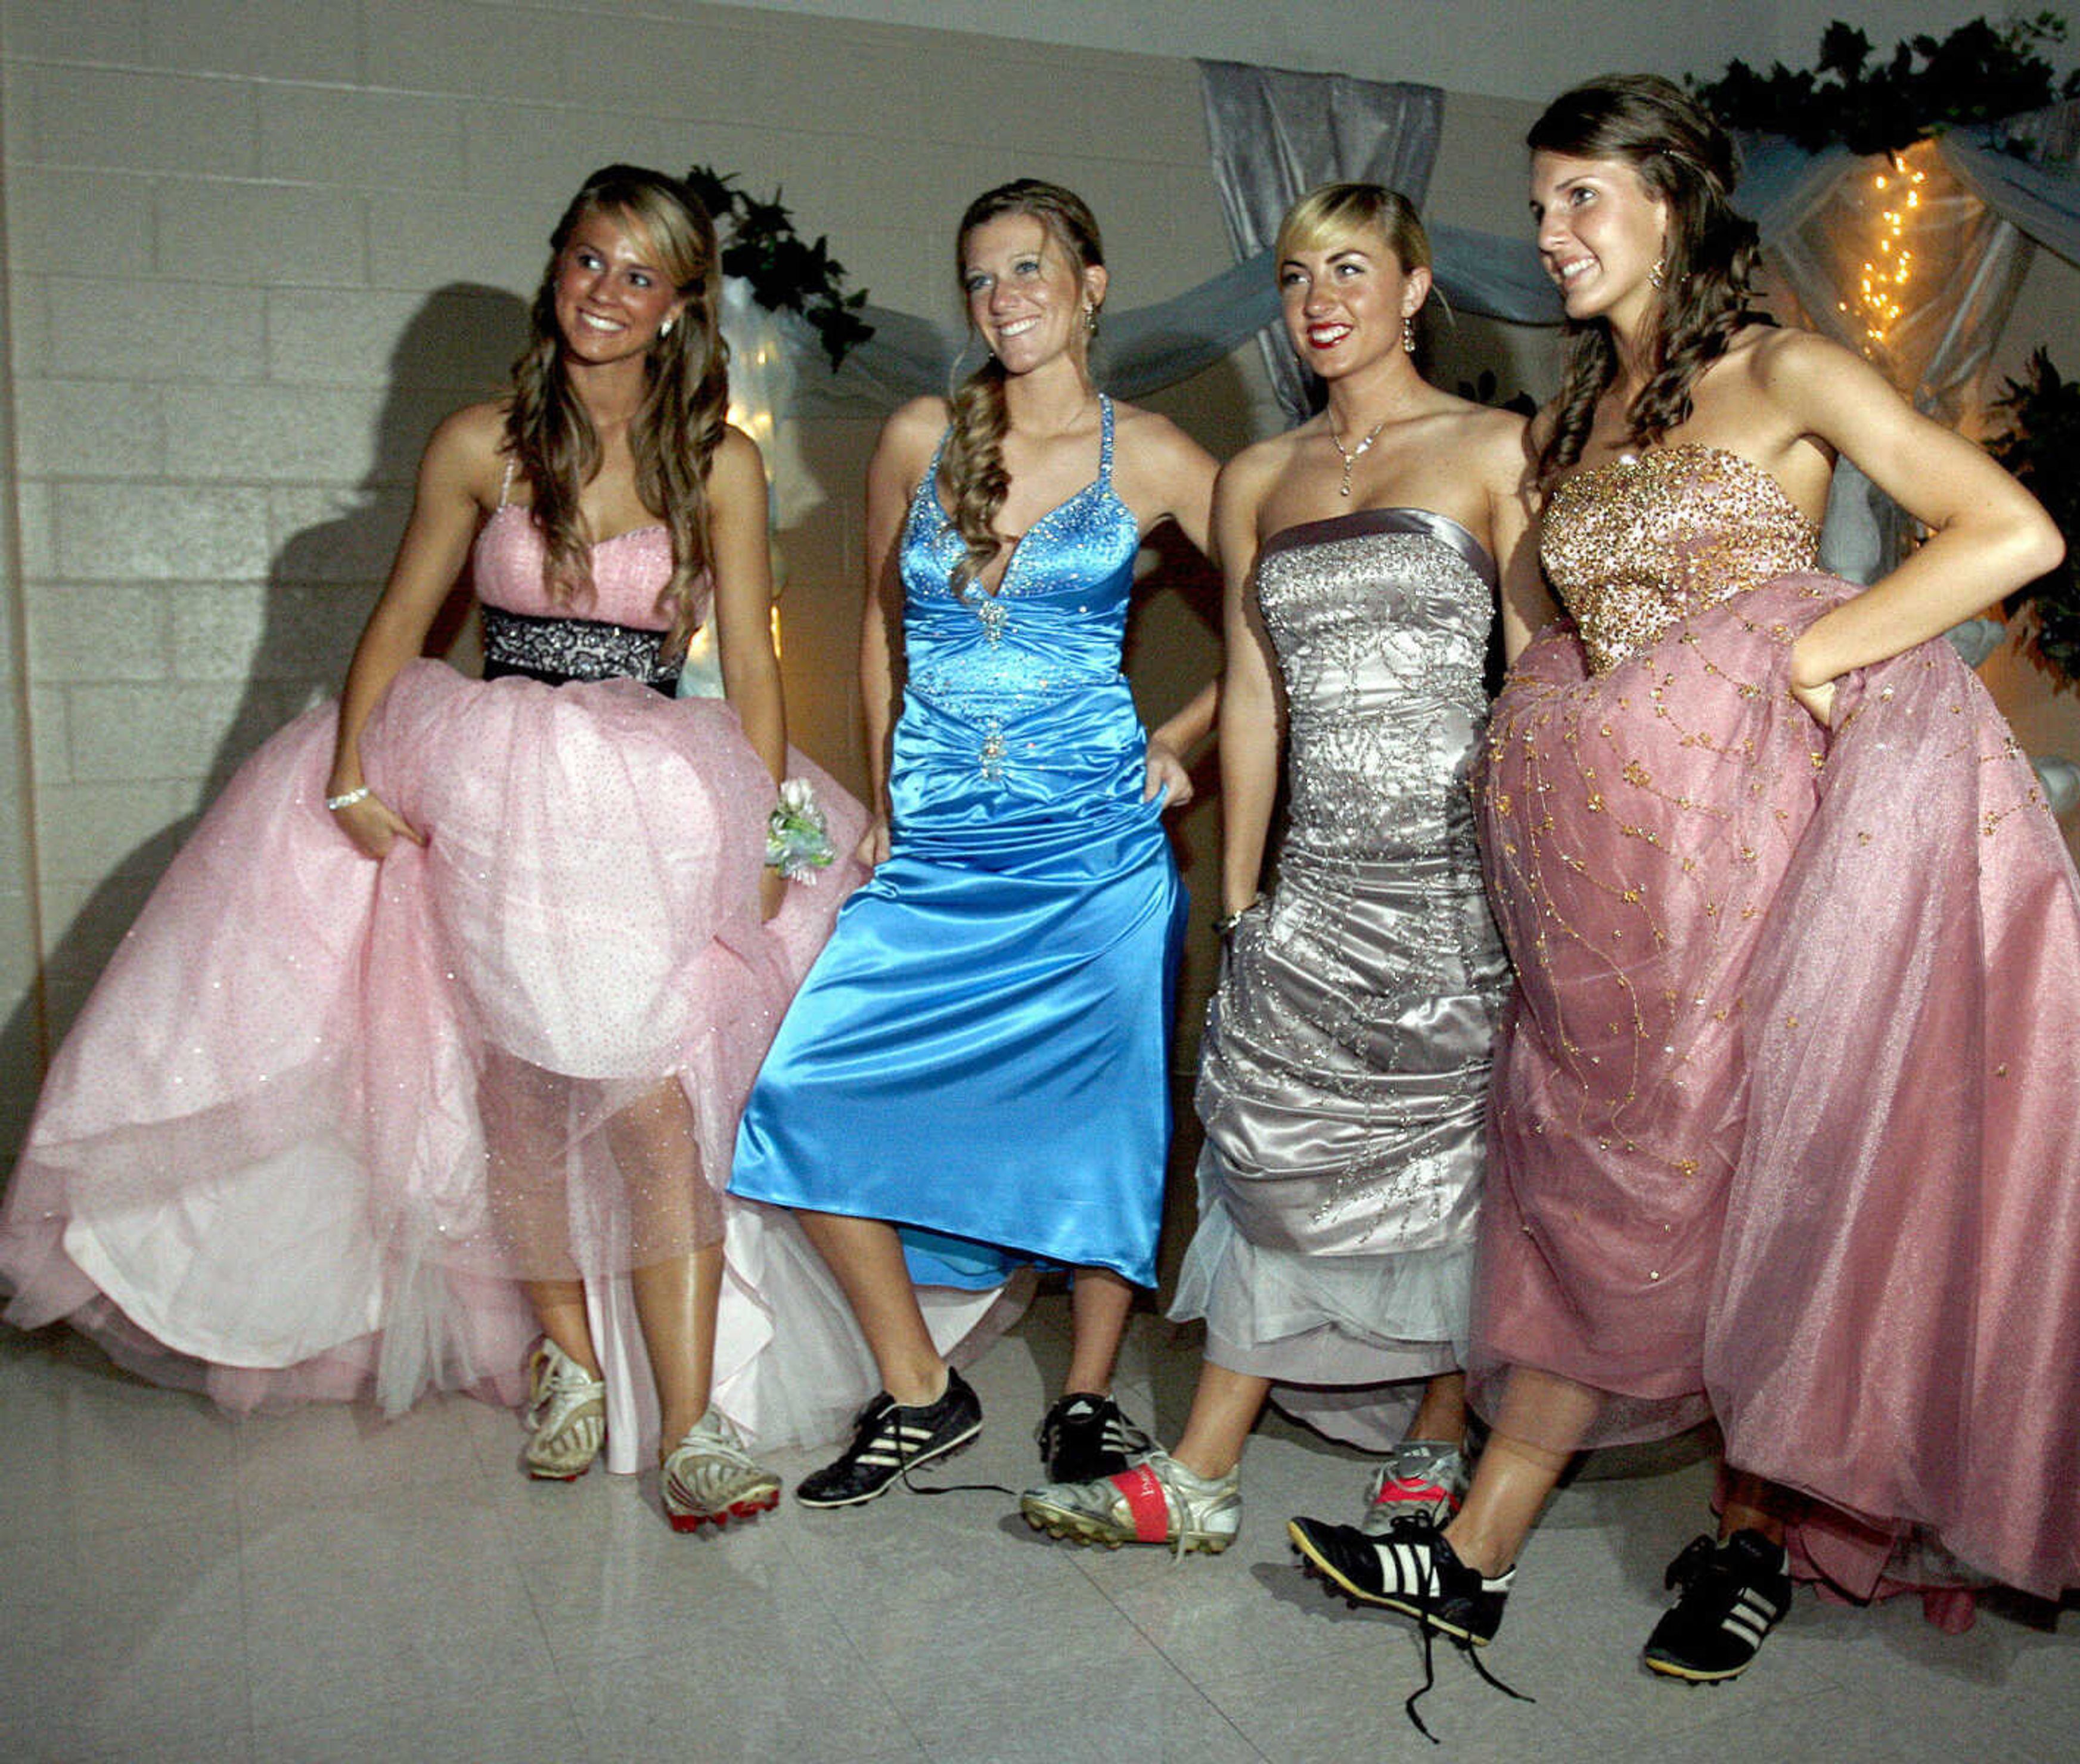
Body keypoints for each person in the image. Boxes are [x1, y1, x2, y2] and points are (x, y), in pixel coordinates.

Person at [1289, 76, 2080, 1678]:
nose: (1555, 231)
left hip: (1764, 872)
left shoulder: (1782, 367)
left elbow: (2007, 531)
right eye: (1547, 198)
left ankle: (1753, 1545)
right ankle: (1475, 1556)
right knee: (1596, 1193)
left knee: (1766, 1194)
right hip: (1604, 903)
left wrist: (1820, 649)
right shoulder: (1569, 416)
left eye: (1586, 197)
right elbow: (1550, 643)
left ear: (1673, 200)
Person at [0, 164, 871, 1532]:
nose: (603, 292)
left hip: (650, 806)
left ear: (679, 307)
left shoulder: (721, 461)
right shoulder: (484, 442)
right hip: (497, 790)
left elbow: (754, 677)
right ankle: (573, 1366)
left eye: (638, 275)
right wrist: (350, 768)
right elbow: (403, 621)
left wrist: (765, 831)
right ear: (558, 266)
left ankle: (696, 1421)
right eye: (586, 260)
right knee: (521, 1096)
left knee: (654, 1108)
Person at [1019, 185, 1526, 1555]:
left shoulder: (1495, 449)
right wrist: (1245, 895)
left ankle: (1436, 1434)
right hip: (1316, 879)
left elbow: (1540, 683)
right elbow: (1253, 691)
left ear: (1418, 287)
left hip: (1460, 877)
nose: (1321, 298)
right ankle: (1203, 1471)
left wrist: (1541, 884)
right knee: (1270, 1149)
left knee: (1460, 1167)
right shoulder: (1258, 476)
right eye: (1299, 273)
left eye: (1353, 269)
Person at [729, 179, 1218, 1508]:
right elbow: (883, 618)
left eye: (1029, 269)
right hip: (942, 843)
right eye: (981, 280)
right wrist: (888, 793)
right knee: (804, 1096)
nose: (1005, 301)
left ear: (1092, 280)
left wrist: (1187, 734)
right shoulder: (922, 432)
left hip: (1097, 848)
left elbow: (1296, 608)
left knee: (1105, 1125)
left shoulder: (1159, 454)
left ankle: (1086, 1398)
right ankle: (921, 1390)